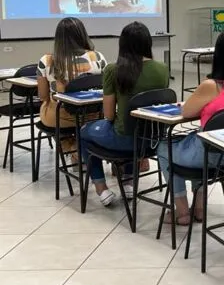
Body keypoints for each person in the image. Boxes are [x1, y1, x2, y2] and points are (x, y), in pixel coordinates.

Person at [157, 28, 224, 224]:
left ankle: (181, 211)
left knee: (165, 147)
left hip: (208, 156)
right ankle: (199, 208)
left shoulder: (211, 86)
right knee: (201, 140)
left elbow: (186, 112)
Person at [79, 22, 169, 206]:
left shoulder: (113, 69)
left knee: (84, 132)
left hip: (124, 140)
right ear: (148, 43)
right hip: (153, 140)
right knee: (133, 125)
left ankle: (101, 187)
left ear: (123, 44)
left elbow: (109, 115)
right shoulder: (162, 68)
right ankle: (128, 182)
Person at [37, 17, 108, 156]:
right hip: (93, 116)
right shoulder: (98, 57)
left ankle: (70, 146)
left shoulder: (47, 61)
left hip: (59, 119)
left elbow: (43, 96)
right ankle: (77, 149)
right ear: (82, 34)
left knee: (46, 106)